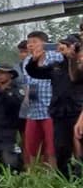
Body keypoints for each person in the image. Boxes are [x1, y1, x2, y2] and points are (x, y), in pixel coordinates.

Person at [24, 34, 83, 177]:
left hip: (77, 111)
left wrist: (73, 58)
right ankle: (65, 180)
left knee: (80, 149)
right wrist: (34, 60)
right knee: (61, 149)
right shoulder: (56, 66)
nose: (64, 48)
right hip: (59, 112)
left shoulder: (79, 66)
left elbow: (76, 76)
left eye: (67, 45)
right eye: (62, 45)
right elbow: (35, 72)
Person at [21, 32, 58, 166]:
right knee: (32, 147)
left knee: (52, 147)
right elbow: (27, 83)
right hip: (33, 110)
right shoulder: (27, 61)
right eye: (29, 42)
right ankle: (34, 175)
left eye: (34, 42)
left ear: (44, 43)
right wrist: (26, 103)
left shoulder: (56, 56)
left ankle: (54, 175)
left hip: (51, 109)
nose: (30, 45)